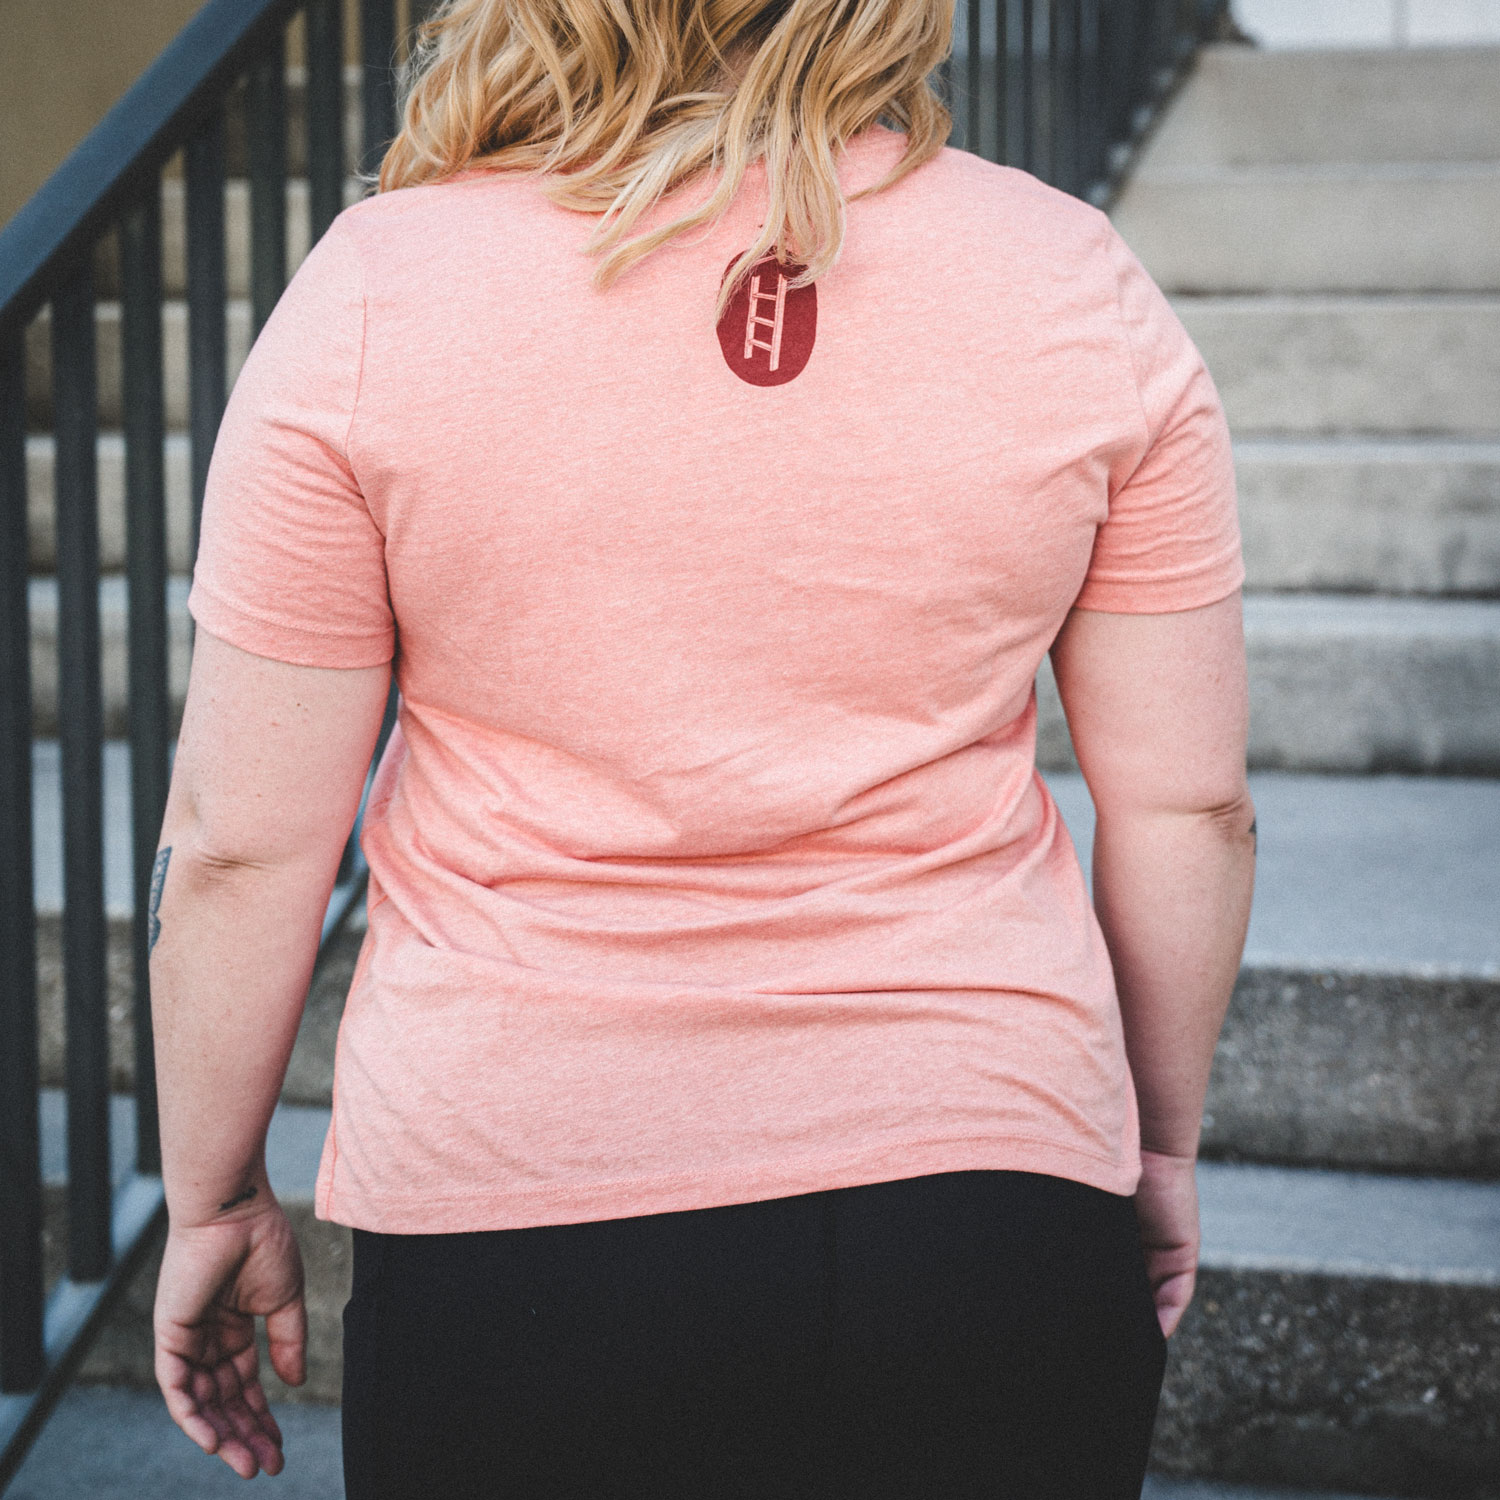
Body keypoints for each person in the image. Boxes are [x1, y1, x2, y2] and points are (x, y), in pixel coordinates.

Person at [147, 0, 1256, 1492]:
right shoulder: (1073, 277)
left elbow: (238, 842)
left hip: (523, 1220)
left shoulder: (376, 294)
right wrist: (1156, 1148)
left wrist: (211, 1195)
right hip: (989, 1186)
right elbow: (1189, 807)